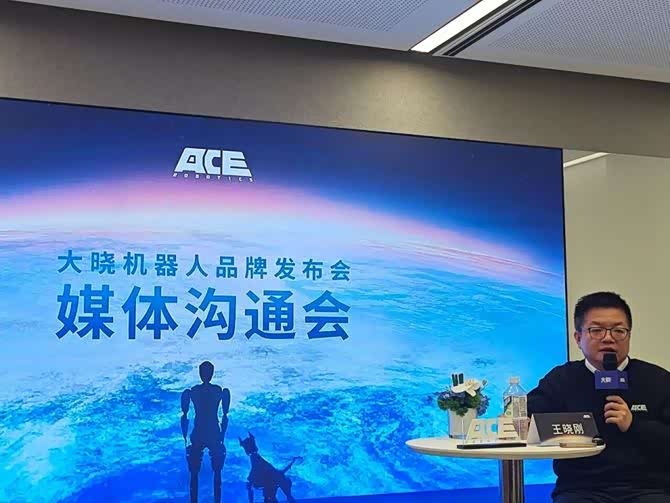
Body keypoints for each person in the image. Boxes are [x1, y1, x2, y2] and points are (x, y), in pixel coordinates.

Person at [527, 292, 670, 503]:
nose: (608, 338)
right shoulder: (561, 379)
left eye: (618, 331)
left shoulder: (657, 379)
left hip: (647, 488)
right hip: (580, 489)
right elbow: (526, 418)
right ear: (578, 338)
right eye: (596, 330)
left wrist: (634, 425)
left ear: (629, 336)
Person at [181, 361, 231, 503]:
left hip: (199, 433)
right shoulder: (218, 390)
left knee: (195, 472)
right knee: (216, 472)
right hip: (213, 432)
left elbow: (184, 416)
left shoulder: (194, 391)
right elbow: (225, 415)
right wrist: (222, 436)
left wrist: (185, 438)